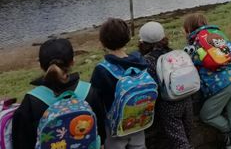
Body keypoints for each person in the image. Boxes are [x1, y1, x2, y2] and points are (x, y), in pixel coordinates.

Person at [12, 38, 106, 149]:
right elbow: (101, 133)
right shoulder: (90, 92)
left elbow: (21, 142)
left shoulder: (31, 101)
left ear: (41, 66)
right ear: (72, 62)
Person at [183, 13, 231, 149]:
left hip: (222, 85)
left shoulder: (195, 43)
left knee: (207, 115)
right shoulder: (215, 34)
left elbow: (192, 62)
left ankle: (227, 129)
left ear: (189, 28)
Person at [90, 18, 150, 148]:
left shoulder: (101, 70)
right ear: (127, 38)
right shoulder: (140, 62)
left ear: (103, 42)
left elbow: (96, 103)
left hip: (115, 128)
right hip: (139, 120)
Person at [138, 21, 194, 149]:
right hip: (186, 98)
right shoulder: (172, 53)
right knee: (188, 137)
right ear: (163, 38)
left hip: (169, 105)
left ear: (143, 43)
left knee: (180, 143)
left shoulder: (147, 61)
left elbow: (152, 88)